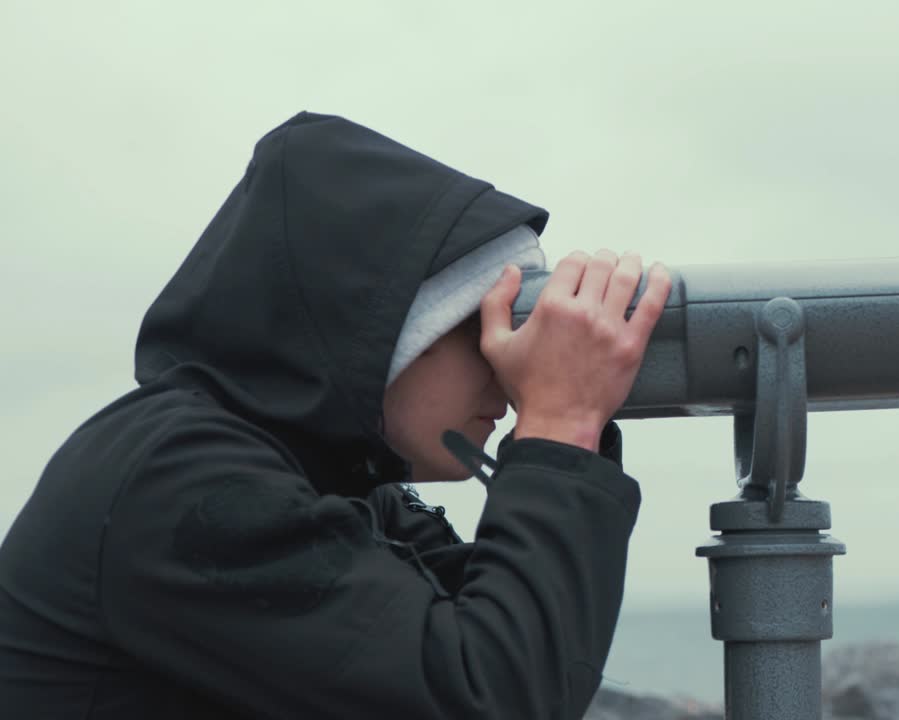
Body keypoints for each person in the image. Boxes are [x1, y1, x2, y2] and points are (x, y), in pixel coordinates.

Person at [0, 111, 672, 719]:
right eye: (479, 329)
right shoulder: (184, 483)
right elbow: (491, 697)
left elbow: (519, 635)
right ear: (381, 332)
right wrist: (561, 421)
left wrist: (570, 425)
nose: (508, 366)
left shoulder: (331, 483)